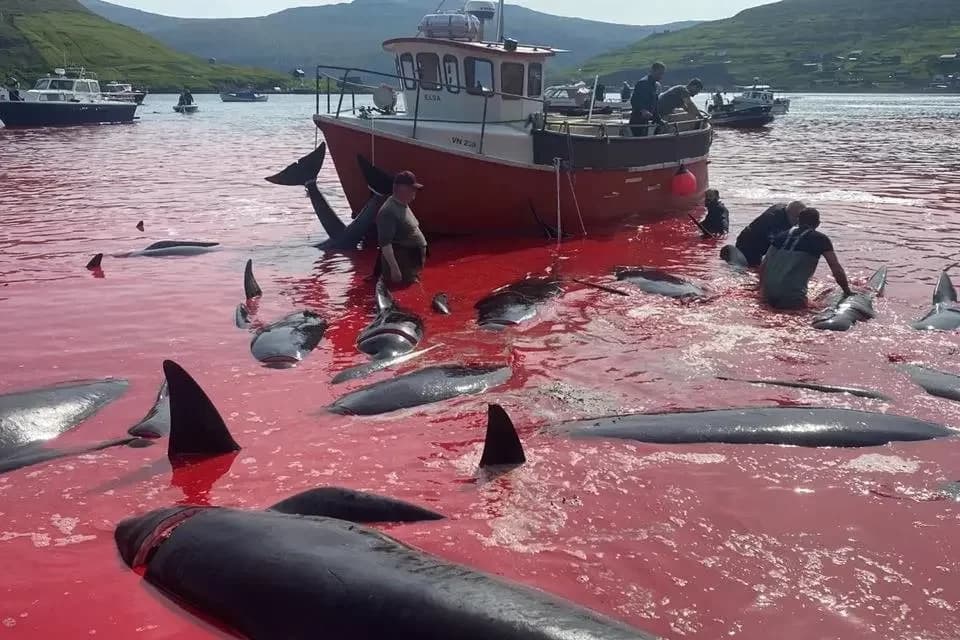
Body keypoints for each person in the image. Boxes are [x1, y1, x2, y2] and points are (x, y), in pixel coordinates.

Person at [760, 207, 851, 309]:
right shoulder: (821, 240)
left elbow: (764, 265)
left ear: (798, 221)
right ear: (818, 223)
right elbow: (835, 268)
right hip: (792, 298)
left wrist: (762, 292)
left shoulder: (780, 236)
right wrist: (847, 291)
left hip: (768, 294)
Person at [377, 171, 428, 286]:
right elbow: (385, 244)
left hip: (411, 265)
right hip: (402, 268)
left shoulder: (402, 204)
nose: (414, 192)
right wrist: (395, 270)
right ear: (401, 189)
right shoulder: (388, 211)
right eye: (412, 189)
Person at [735, 200, 806, 267]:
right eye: (796, 218)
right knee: (750, 267)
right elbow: (777, 244)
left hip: (759, 239)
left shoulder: (785, 209)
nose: (797, 223)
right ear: (790, 213)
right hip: (748, 244)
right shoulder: (773, 219)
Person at [629, 62, 665, 136]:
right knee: (638, 142)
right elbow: (634, 100)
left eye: (662, 74)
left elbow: (654, 106)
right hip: (637, 121)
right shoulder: (643, 83)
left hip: (645, 122)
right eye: (659, 73)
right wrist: (643, 110)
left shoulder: (655, 86)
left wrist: (659, 120)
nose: (661, 76)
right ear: (652, 71)